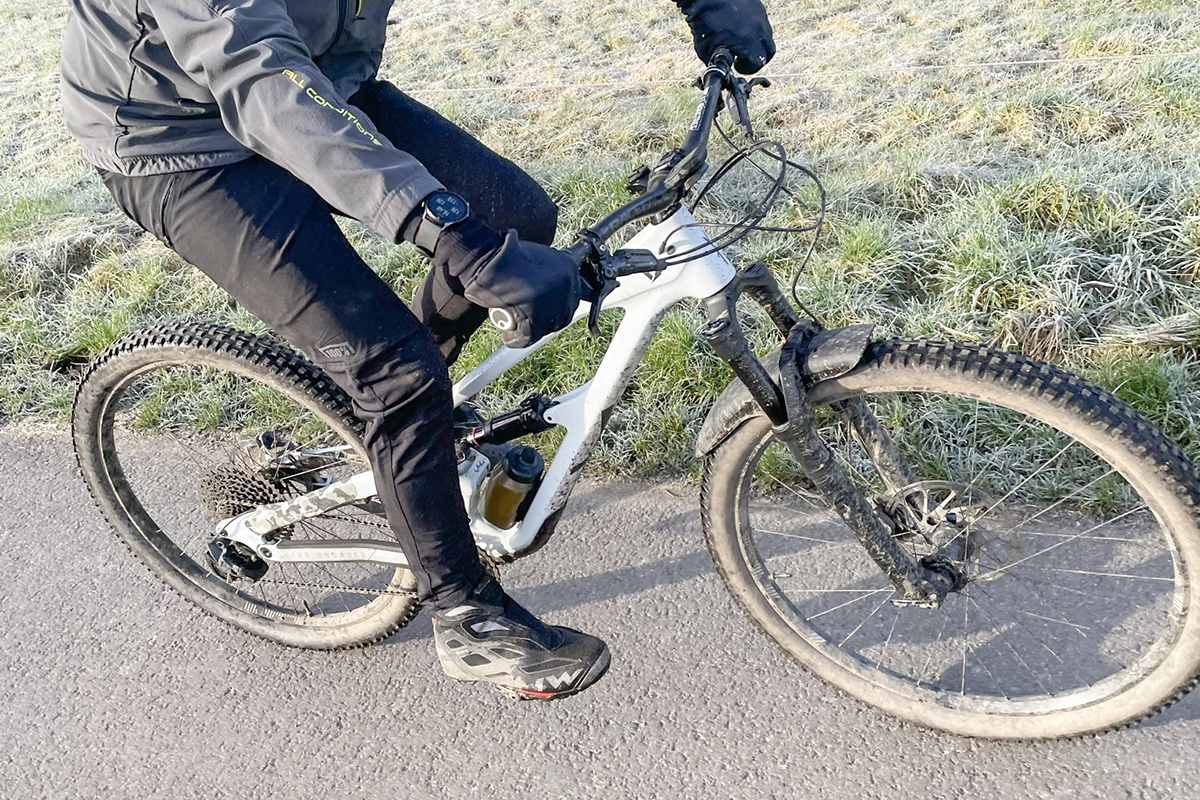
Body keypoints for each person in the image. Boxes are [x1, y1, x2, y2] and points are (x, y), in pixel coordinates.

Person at [60, 0, 775, 700]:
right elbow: (253, 68)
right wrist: (455, 239)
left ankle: (401, 426)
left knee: (518, 220)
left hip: (320, 80)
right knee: (398, 368)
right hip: (176, 140)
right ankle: (466, 614)